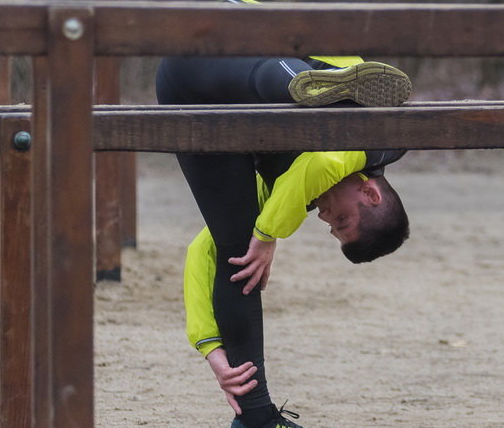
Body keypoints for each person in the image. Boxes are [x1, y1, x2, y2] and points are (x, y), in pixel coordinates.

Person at [156, 51, 413, 428]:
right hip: (233, 40)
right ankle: (327, 87)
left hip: (187, 90)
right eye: (342, 219)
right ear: (370, 194)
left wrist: (210, 347)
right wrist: (267, 234)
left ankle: (256, 418)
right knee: (295, 92)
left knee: (235, 249)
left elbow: (202, 250)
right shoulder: (385, 142)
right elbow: (324, 163)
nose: (324, 217)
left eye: (331, 228)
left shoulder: (288, 194)